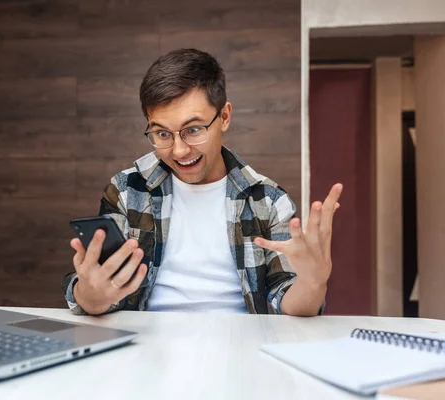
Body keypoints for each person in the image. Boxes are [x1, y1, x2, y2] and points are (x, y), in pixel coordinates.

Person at [62, 48, 342, 317]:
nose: (179, 150)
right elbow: (98, 290)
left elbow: (290, 301)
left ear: (224, 117)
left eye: (193, 130)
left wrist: (313, 283)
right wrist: (91, 295)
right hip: (147, 349)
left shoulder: (268, 200)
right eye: (162, 134)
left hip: (238, 347)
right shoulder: (127, 191)